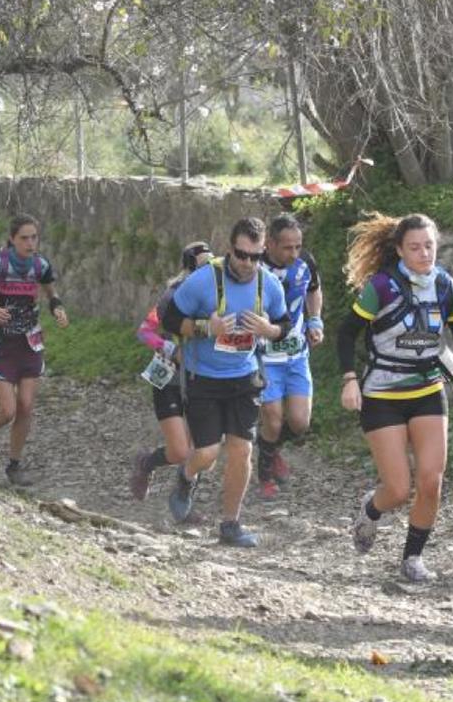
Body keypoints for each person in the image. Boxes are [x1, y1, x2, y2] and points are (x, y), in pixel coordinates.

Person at [339, 213, 453, 582]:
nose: (424, 254)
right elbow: (346, 335)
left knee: (430, 480)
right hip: (382, 393)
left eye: (429, 246)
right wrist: (349, 380)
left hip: (427, 388)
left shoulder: (445, 286)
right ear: (399, 250)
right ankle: (371, 510)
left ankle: (412, 558)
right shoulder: (382, 286)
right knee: (397, 488)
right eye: (415, 247)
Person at [160, 217, 288, 548]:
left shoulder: (268, 284)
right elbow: (169, 318)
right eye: (242, 255)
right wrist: (206, 327)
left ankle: (230, 524)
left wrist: (268, 330)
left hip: (245, 378)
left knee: (242, 450)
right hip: (204, 378)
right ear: (230, 249)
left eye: (256, 257)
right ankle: (186, 478)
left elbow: (284, 325)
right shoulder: (203, 281)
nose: (248, 264)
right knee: (206, 452)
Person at [0, 214, 69, 486]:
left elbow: (51, 294)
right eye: (24, 238)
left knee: (26, 407)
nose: (30, 243)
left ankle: (14, 465)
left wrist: (58, 309)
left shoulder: (41, 265)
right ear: (12, 239)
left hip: (29, 343)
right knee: (7, 410)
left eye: (34, 237)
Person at [128, 241, 212, 502]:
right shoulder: (171, 296)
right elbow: (144, 331)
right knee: (178, 451)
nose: (210, 272)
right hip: (167, 378)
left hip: (201, 378)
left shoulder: (217, 296)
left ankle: (184, 503)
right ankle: (146, 463)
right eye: (203, 266)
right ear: (190, 269)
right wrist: (170, 348)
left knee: (201, 451)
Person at [256, 213, 324, 500]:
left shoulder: (305, 263)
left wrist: (315, 320)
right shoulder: (253, 265)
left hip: (296, 355)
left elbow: (314, 290)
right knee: (272, 421)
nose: (294, 253)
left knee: (299, 423)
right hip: (264, 356)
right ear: (269, 243)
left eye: (298, 246)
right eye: (287, 247)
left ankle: (271, 449)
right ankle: (264, 474)